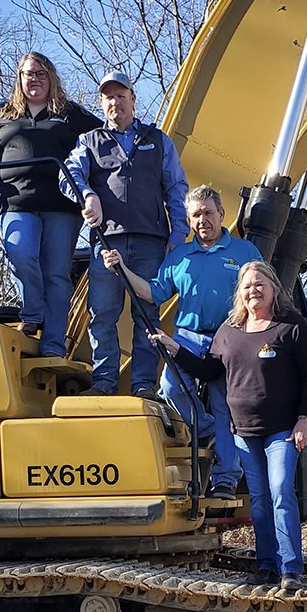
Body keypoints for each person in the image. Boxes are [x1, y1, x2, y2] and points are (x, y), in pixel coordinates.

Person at [151, 260, 307, 591]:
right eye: (247, 286)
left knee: (281, 491)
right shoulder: (229, 332)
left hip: (283, 430)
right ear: (239, 294)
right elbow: (210, 372)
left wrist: (305, 418)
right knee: (259, 499)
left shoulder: (292, 326)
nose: (253, 290)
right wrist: (174, 348)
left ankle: (291, 570)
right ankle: (266, 567)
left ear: (273, 288)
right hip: (244, 432)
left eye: (260, 284)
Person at [101, 184, 261, 497]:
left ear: (221, 215)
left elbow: (261, 291)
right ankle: (207, 429)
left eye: (208, 213)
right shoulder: (179, 257)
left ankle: (226, 478)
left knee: (225, 404)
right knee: (171, 389)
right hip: (186, 338)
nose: (203, 220)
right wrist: (121, 268)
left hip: (229, 338)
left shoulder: (244, 253)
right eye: (196, 215)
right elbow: (152, 292)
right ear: (189, 221)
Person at [0, 52, 100, 356]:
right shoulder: (3, 113)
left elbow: (102, 141)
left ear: (51, 78)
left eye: (40, 73)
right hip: (15, 203)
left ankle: (52, 345)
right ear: (19, 78)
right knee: (20, 253)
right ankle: (33, 311)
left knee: (56, 273)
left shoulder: (70, 113)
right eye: (28, 73)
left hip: (61, 205)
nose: (34, 79)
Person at [62, 72, 188, 397]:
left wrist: (179, 235)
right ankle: (103, 384)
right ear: (101, 103)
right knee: (101, 313)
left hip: (151, 243)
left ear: (133, 98)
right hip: (107, 244)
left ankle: (144, 384)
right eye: (108, 97)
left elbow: (176, 188)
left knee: (148, 314)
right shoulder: (89, 141)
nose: (115, 102)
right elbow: (69, 173)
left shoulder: (158, 140)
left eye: (121, 95)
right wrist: (88, 196)